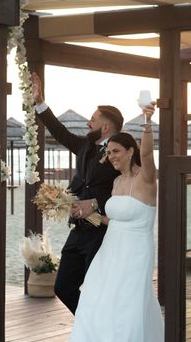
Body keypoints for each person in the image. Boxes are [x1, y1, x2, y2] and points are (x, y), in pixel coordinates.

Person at [56, 102, 163, 342]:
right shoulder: (116, 182)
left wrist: (147, 120)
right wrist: (86, 211)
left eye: (116, 152)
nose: (111, 157)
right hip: (110, 251)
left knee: (128, 311)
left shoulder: (147, 180)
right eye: (109, 152)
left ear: (131, 151)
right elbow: (110, 219)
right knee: (96, 305)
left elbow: (150, 154)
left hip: (136, 253)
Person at [31, 72, 123, 314]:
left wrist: (95, 204)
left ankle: (98, 331)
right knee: (63, 287)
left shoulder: (120, 151)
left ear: (105, 126)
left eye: (92, 120)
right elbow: (59, 132)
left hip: (101, 231)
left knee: (96, 288)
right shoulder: (84, 146)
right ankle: (90, 326)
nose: (88, 123)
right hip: (78, 231)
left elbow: (128, 188)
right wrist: (40, 102)